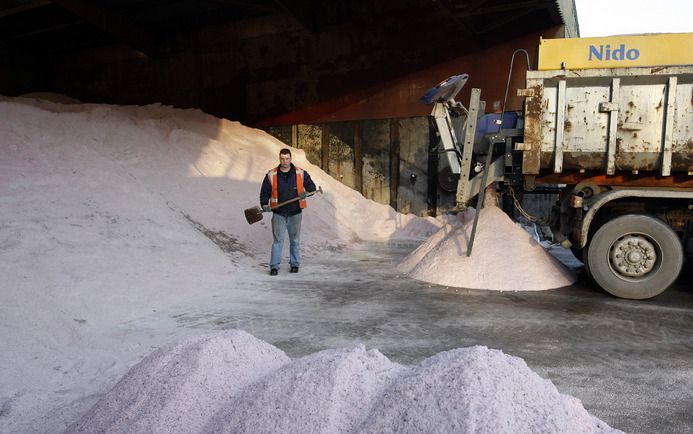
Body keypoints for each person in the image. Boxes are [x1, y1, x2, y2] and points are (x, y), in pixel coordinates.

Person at [260, 148, 316, 275]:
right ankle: (274, 266)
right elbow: (264, 192)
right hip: (278, 213)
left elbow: (312, 188)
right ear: (279, 159)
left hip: (295, 213)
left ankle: (295, 264)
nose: (285, 161)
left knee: (295, 241)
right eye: (282, 159)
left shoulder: (300, 173)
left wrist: (305, 193)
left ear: (290, 159)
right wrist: (264, 204)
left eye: (287, 158)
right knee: (277, 241)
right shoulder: (271, 174)